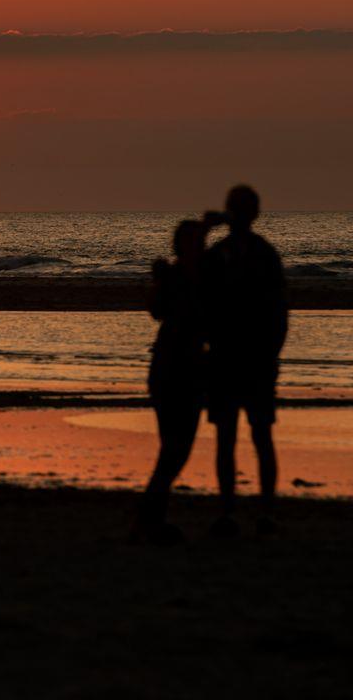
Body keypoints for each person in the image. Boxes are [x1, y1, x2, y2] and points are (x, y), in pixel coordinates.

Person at [203, 184, 288, 538]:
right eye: (235, 209)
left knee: (259, 436)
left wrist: (271, 355)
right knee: (228, 438)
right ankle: (228, 511)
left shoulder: (264, 254)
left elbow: (279, 311)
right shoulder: (219, 253)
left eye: (242, 209)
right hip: (226, 359)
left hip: (254, 361)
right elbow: (201, 295)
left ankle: (265, 511)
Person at [130, 219, 208, 545]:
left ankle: (152, 517)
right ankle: (150, 518)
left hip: (177, 369)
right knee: (175, 449)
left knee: (174, 449)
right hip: (175, 370)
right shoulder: (184, 279)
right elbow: (159, 309)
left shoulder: (184, 277)